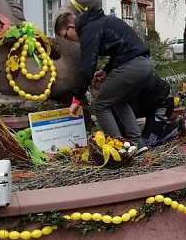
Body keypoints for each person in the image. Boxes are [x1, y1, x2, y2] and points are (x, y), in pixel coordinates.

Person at [54, 9, 154, 153]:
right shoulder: (97, 23)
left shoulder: (88, 30)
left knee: (100, 105)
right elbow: (122, 49)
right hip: (146, 65)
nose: (68, 40)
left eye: (65, 35)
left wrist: (76, 100)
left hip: (133, 66)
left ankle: (118, 149)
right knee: (118, 100)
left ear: (71, 27)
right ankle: (138, 142)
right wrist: (107, 70)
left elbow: (87, 67)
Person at [94, 71, 183, 147]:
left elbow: (125, 116)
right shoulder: (113, 92)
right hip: (147, 103)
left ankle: (176, 126)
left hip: (162, 102)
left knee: (149, 141)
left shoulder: (121, 90)